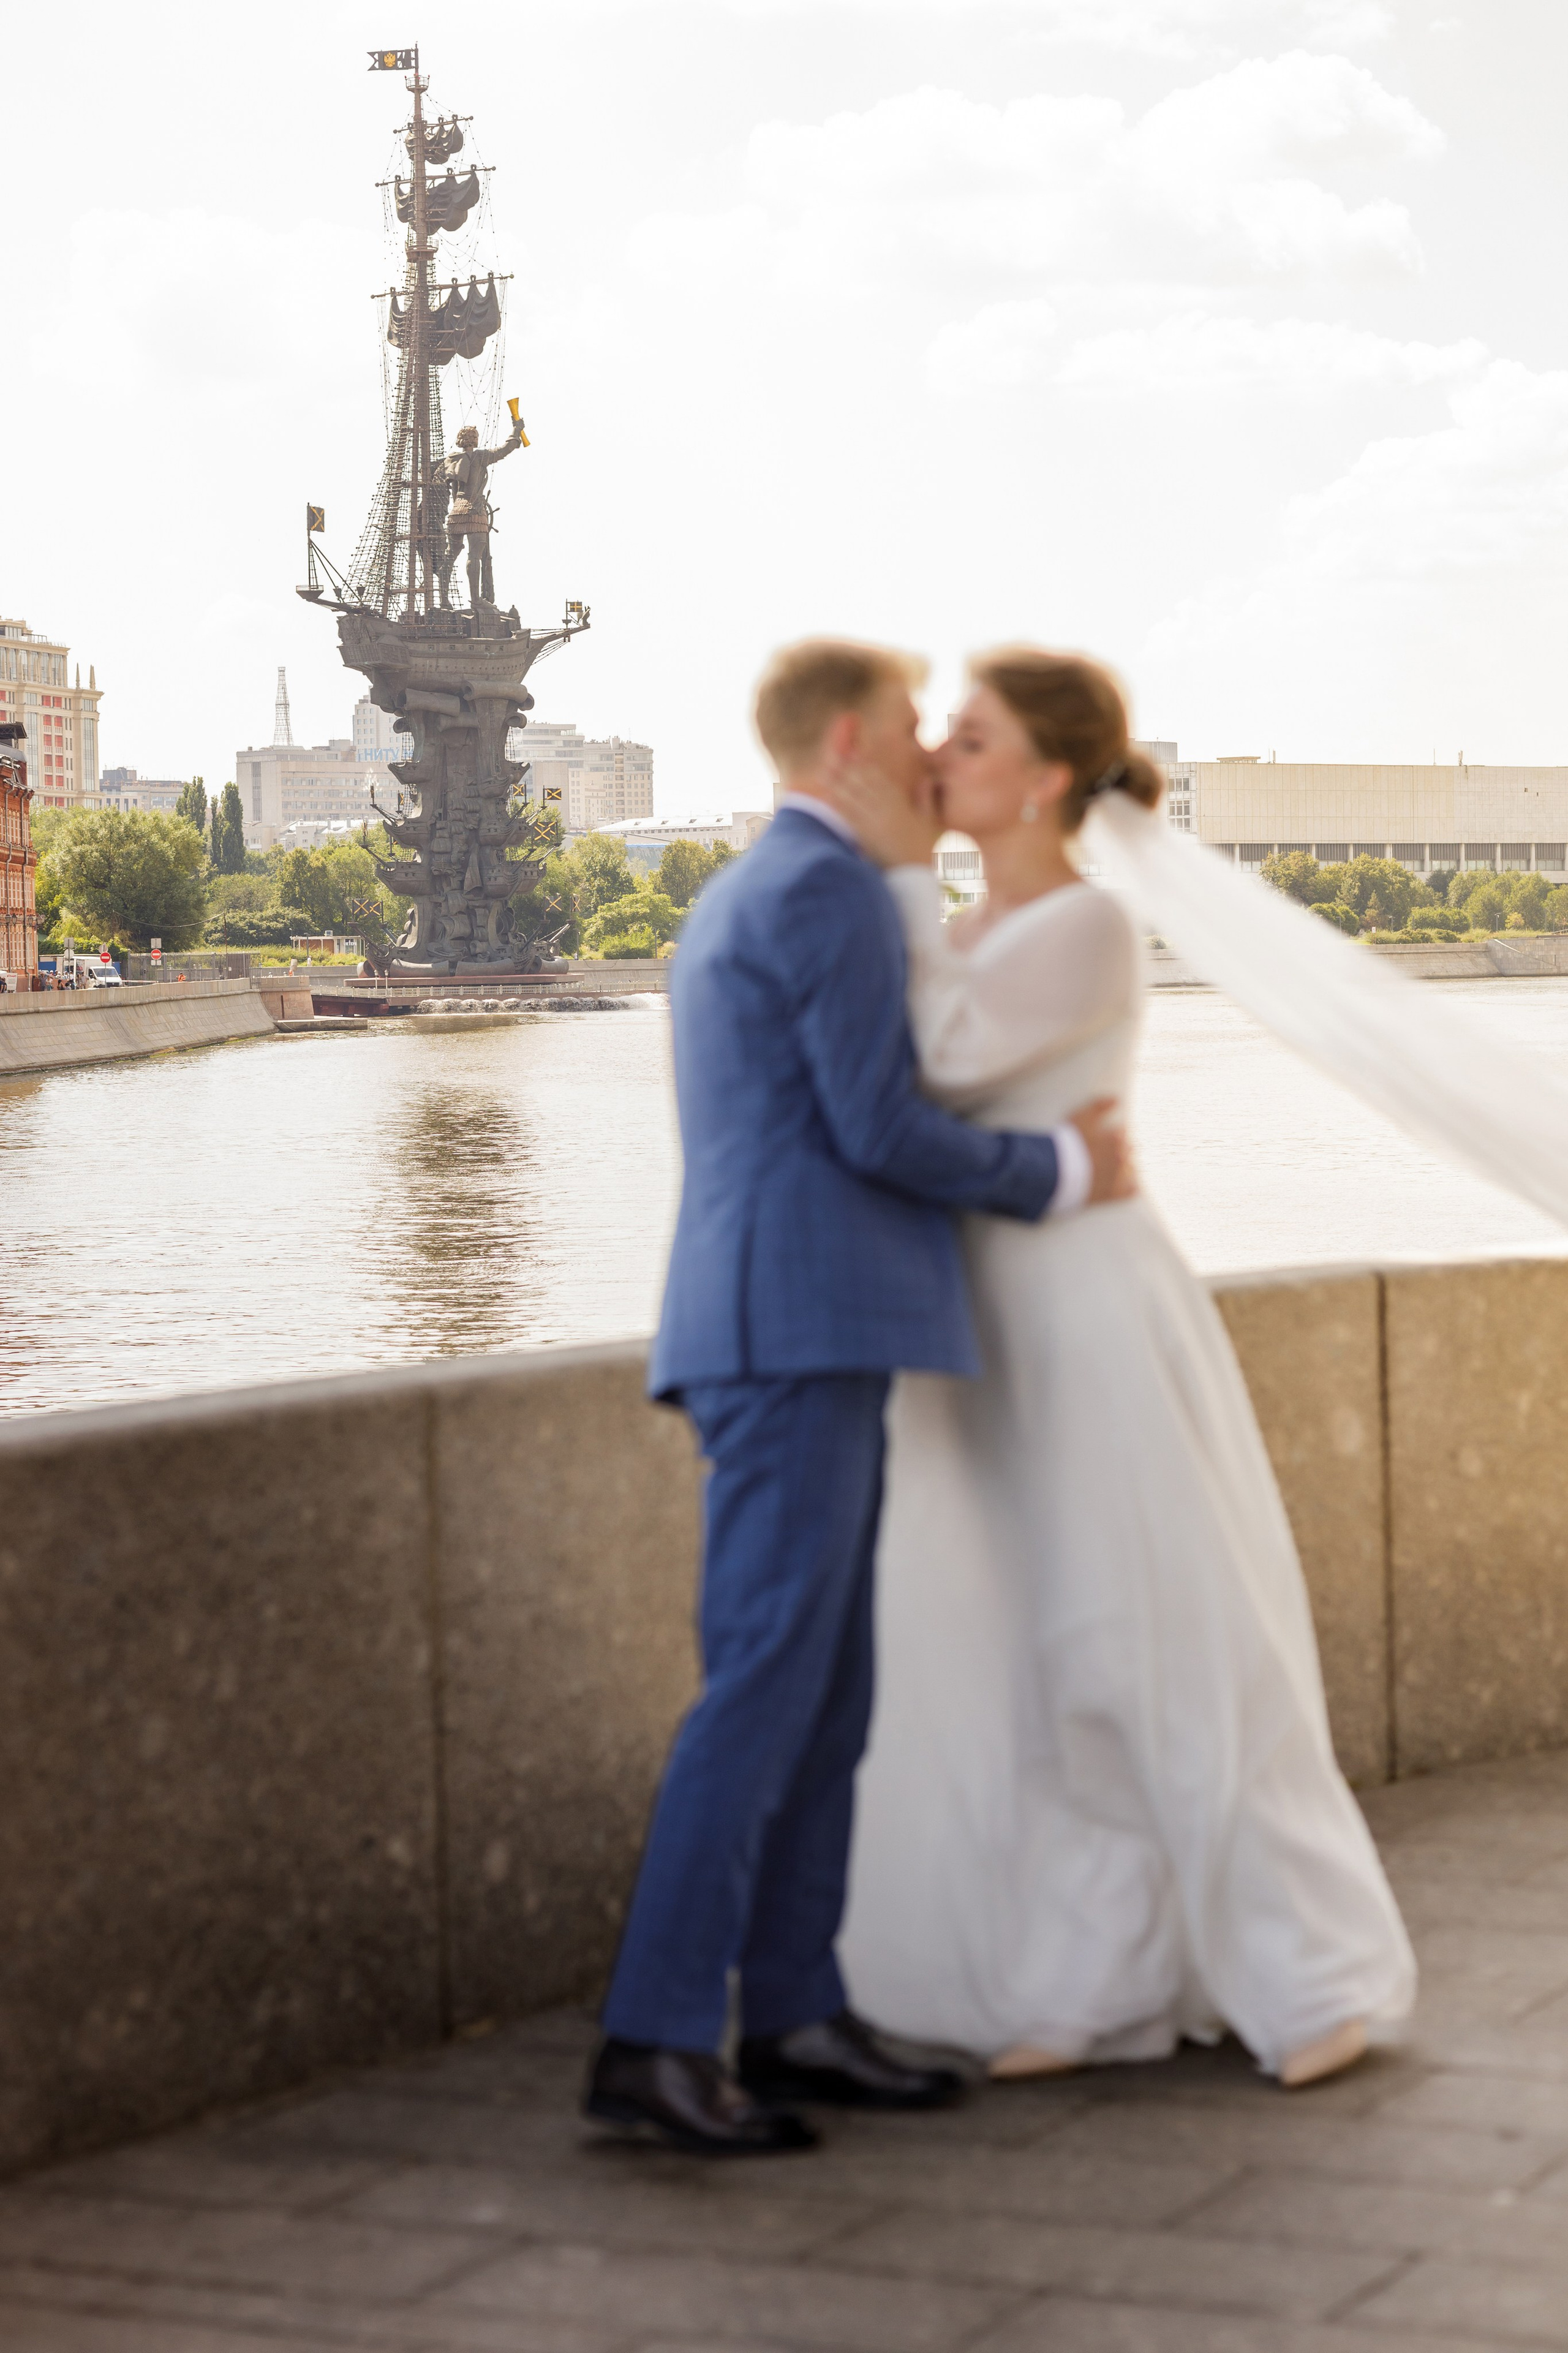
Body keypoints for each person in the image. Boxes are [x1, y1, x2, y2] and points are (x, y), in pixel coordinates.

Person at [836, 648, 1416, 2088]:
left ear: (1040, 780)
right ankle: (1093, 1982)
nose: (938, 758)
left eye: (967, 740)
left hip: (1085, 1308)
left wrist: (895, 878)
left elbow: (935, 1060)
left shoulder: (1086, 925)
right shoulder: (966, 916)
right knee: (1040, 1652)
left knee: (1145, 1633)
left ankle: (1304, 1975)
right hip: (981, 1320)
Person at [584, 640, 1133, 2156]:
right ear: (842, 742)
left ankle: (799, 2011)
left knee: (824, 1691)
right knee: (765, 1688)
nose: (922, 757)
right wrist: (1066, 1167)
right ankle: (654, 2038)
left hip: (796, 1323)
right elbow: (878, 1124)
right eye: (906, 730)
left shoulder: (779, 883)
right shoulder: (821, 889)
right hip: (790, 1330)